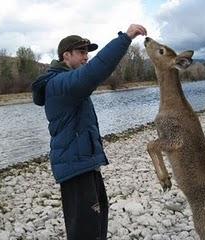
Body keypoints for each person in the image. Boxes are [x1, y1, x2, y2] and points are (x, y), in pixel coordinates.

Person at [31, 24, 147, 240]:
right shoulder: (59, 84)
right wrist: (126, 38)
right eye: (82, 52)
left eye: (88, 52)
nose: (87, 56)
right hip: (75, 168)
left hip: (85, 163)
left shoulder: (69, 83)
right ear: (66, 55)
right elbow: (95, 71)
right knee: (86, 231)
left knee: (96, 225)